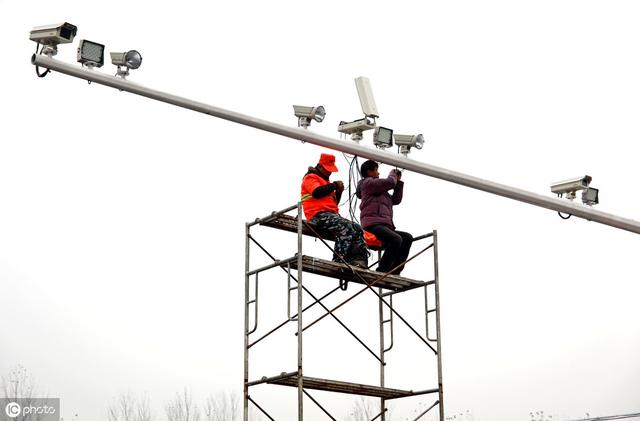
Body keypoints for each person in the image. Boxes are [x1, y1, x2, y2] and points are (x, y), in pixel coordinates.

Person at [301, 153, 369, 268]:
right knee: (345, 226)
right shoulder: (311, 177)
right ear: (320, 166)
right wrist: (333, 185)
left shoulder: (325, 182)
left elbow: (332, 204)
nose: (330, 172)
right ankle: (339, 259)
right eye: (328, 169)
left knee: (356, 228)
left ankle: (358, 259)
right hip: (317, 215)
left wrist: (338, 192)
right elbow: (317, 192)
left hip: (329, 215)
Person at [356, 160, 413, 275]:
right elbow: (390, 182)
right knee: (396, 239)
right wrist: (393, 174)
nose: (378, 173)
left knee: (407, 238)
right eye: (376, 170)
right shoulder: (368, 183)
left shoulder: (379, 190)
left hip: (383, 225)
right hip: (372, 225)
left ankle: (395, 270)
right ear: (369, 171)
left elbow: (395, 200)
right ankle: (382, 270)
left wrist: (398, 182)